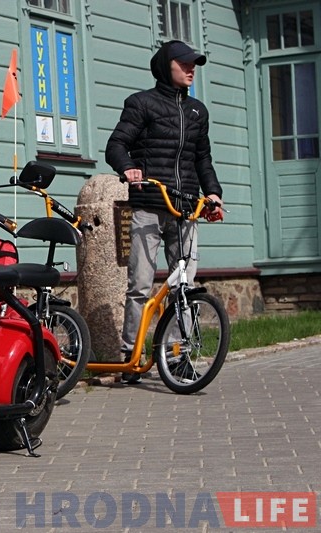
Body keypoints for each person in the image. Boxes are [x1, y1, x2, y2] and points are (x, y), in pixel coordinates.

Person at [105, 40, 224, 383]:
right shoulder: (141, 104)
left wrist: (213, 194)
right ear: (165, 66)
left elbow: (203, 159)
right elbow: (117, 144)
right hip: (149, 206)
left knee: (184, 286)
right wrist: (127, 168)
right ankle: (131, 354)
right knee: (140, 286)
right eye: (184, 64)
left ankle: (179, 355)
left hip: (186, 208)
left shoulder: (198, 111)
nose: (191, 70)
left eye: (194, 65)